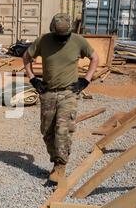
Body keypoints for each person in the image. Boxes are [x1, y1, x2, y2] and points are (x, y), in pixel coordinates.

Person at [23, 13, 99, 185]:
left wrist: (85, 80)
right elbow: (26, 57)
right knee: (47, 131)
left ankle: (60, 166)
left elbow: (95, 58)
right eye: (59, 37)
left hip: (69, 92)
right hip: (48, 92)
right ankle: (55, 160)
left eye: (65, 37)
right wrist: (33, 78)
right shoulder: (43, 40)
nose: (62, 40)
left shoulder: (79, 41)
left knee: (63, 129)